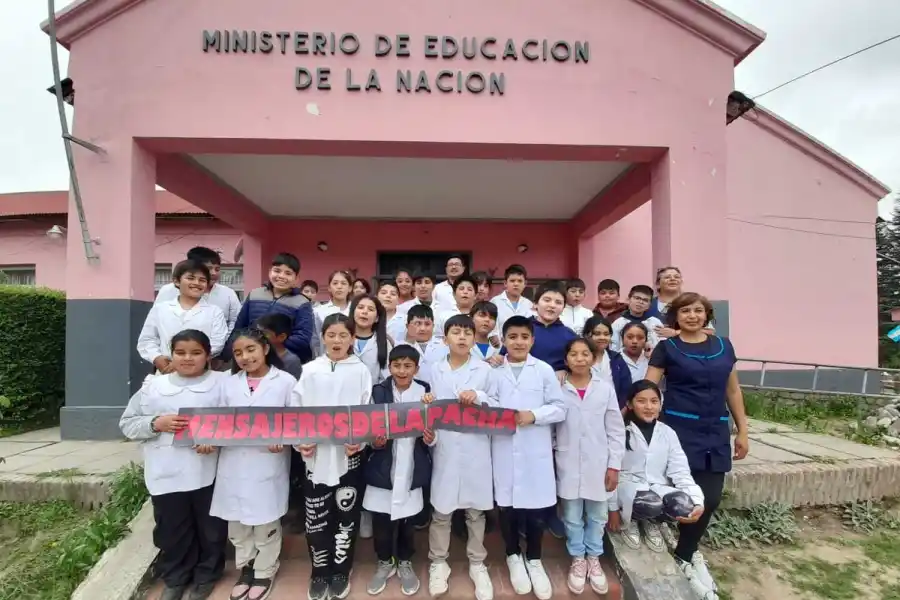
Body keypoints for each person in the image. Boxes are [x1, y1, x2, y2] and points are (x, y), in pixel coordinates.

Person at [646, 292, 749, 599]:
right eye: (685, 311)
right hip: (677, 430)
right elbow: (650, 389)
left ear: (707, 316)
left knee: (711, 497)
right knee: (676, 491)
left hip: (715, 430)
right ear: (675, 318)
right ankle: (675, 545)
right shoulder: (667, 348)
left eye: (698, 311)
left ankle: (687, 554)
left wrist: (743, 430)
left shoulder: (724, 346)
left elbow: (733, 390)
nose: (692, 315)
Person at [119, 329, 227, 600]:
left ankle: (207, 574)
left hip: (207, 471)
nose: (187, 358)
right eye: (180, 352)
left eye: (195, 353)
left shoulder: (222, 384)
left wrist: (215, 439)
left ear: (208, 355)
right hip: (165, 471)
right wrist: (156, 423)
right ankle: (176, 577)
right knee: (172, 528)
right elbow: (127, 423)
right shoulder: (153, 387)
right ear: (171, 354)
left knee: (210, 528)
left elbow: (236, 423)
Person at [292, 313, 373, 600]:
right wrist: (300, 442)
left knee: (346, 516)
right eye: (331, 335)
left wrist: (359, 442)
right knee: (316, 517)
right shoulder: (310, 370)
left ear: (353, 338)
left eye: (343, 335)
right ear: (323, 337)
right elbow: (296, 410)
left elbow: (367, 410)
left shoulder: (360, 370)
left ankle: (341, 569)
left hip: (348, 456)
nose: (337, 340)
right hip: (315, 457)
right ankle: (319, 570)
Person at [212, 328, 294, 600]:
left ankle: (265, 569)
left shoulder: (285, 382)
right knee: (237, 523)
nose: (245, 357)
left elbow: (296, 421)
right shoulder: (227, 383)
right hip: (233, 461)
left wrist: (282, 437)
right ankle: (246, 566)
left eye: (250, 350)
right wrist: (206, 438)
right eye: (238, 353)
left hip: (267, 461)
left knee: (264, 520)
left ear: (265, 349)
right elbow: (215, 421)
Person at [490, 316, 566, 600]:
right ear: (504, 339)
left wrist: (533, 415)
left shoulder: (544, 370)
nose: (519, 341)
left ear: (532, 340)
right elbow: (487, 401)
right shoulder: (494, 370)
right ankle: (512, 555)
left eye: (524, 336)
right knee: (507, 507)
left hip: (535, 449)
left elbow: (559, 408)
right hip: (503, 447)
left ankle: (534, 559)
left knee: (536, 511)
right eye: (513, 337)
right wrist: (501, 413)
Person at [425, 314, 495, 600]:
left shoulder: (485, 370)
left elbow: (498, 405)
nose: (463, 337)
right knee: (441, 511)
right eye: (456, 332)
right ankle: (438, 562)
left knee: (476, 511)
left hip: (477, 447)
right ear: (446, 339)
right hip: (445, 447)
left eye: (468, 332)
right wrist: (430, 428)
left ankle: (478, 563)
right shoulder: (433, 369)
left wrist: (477, 395)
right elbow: (427, 406)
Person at [556, 338, 625, 596]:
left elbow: (616, 430)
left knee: (597, 515)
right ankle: (578, 558)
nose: (580, 359)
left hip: (599, 462)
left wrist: (614, 465)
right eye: (573, 354)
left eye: (585, 354)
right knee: (572, 516)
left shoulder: (605, 389)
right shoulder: (558, 388)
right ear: (566, 360)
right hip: (567, 461)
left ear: (593, 358)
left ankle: (594, 557)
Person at [364, 345, 434, 596]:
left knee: (407, 523)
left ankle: (405, 562)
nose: (402, 371)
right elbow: (368, 428)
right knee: (381, 522)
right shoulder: (378, 391)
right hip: (384, 465)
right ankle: (384, 563)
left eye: (408, 366)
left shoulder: (425, 391)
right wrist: (376, 441)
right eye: (397, 365)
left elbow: (432, 428)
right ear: (389, 367)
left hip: (412, 463)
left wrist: (429, 437)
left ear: (416, 368)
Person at [607, 380, 704, 556]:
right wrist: (612, 508)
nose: (648, 407)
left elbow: (680, 470)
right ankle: (631, 522)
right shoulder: (620, 432)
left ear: (660, 404)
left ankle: (653, 522)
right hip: (628, 488)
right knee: (651, 503)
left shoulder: (667, 433)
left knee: (684, 505)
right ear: (629, 404)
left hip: (657, 487)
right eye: (641, 401)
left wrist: (697, 501)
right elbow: (609, 473)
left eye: (654, 401)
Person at [138, 260, 229, 373]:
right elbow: (147, 339)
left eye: (202, 280)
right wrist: (157, 358)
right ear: (176, 281)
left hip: (201, 371)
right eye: (190, 278)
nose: (197, 283)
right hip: (166, 371)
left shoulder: (214, 312)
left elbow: (217, 342)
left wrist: (190, 360)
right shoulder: (160, 309)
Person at [232, 252, 314, 363]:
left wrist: (271, 346)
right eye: (277, 271)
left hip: (283, 360)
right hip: (251, 358)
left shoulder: (302, 302)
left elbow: (303, 337)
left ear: (296, 278)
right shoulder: (255, 294)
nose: (281, 276)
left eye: (288, 273)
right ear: (270, 272)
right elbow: (240, 327)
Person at [155, 246, 242, 332]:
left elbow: (236, 322)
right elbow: (156, 322)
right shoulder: (168, 291)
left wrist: (227, 343)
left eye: (217, 269)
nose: (214, 273)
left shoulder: (228, 293)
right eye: (209, 268)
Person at [582, 316, 632, 407]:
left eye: (606, 334)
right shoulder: (579, 360)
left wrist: (620, 414)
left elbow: (626, 389)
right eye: (597, 334)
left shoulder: (616, 359)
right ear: (586, 335)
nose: (602, 337)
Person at [350, 294, 393, 385]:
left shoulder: (385, 342)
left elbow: (386, 375)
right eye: (360, 307)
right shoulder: (343, 339)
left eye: (371, 309)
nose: (364, 312)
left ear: (377, 318)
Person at [396, 304, 443, 386]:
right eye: (418, 324)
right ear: (407, 326)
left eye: (427, 324)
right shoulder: (398, 347)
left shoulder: (444, 346)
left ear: (433, 326)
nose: (423, 328)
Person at [610, 285, 663, 352]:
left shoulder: (655, 322)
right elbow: (613, 348)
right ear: (629, 299)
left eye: (645, 300)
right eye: (637, 298)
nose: (640, 302)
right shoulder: (618, 324)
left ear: (649, 305)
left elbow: (662, 345)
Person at [256, 313, 304, 379]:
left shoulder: (291, 361)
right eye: (258, 332)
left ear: (282, 337)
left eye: (265, 333)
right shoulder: (257, 354)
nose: (259, 336)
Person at [490, 264, 533, 337]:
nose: (516, 284)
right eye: (512, 281)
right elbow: (491, 329)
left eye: (520, 281)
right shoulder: (495, 302)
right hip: (500, 346)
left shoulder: (529, 304)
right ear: (505, 283)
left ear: (525, 284)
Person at [434, 274, 478, 342]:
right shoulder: (443, 316)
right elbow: (437, 340)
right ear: (454, 294)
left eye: (469, 289)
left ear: (475, 295)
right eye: (461, 289)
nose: (465, 292)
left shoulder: (480, 317)